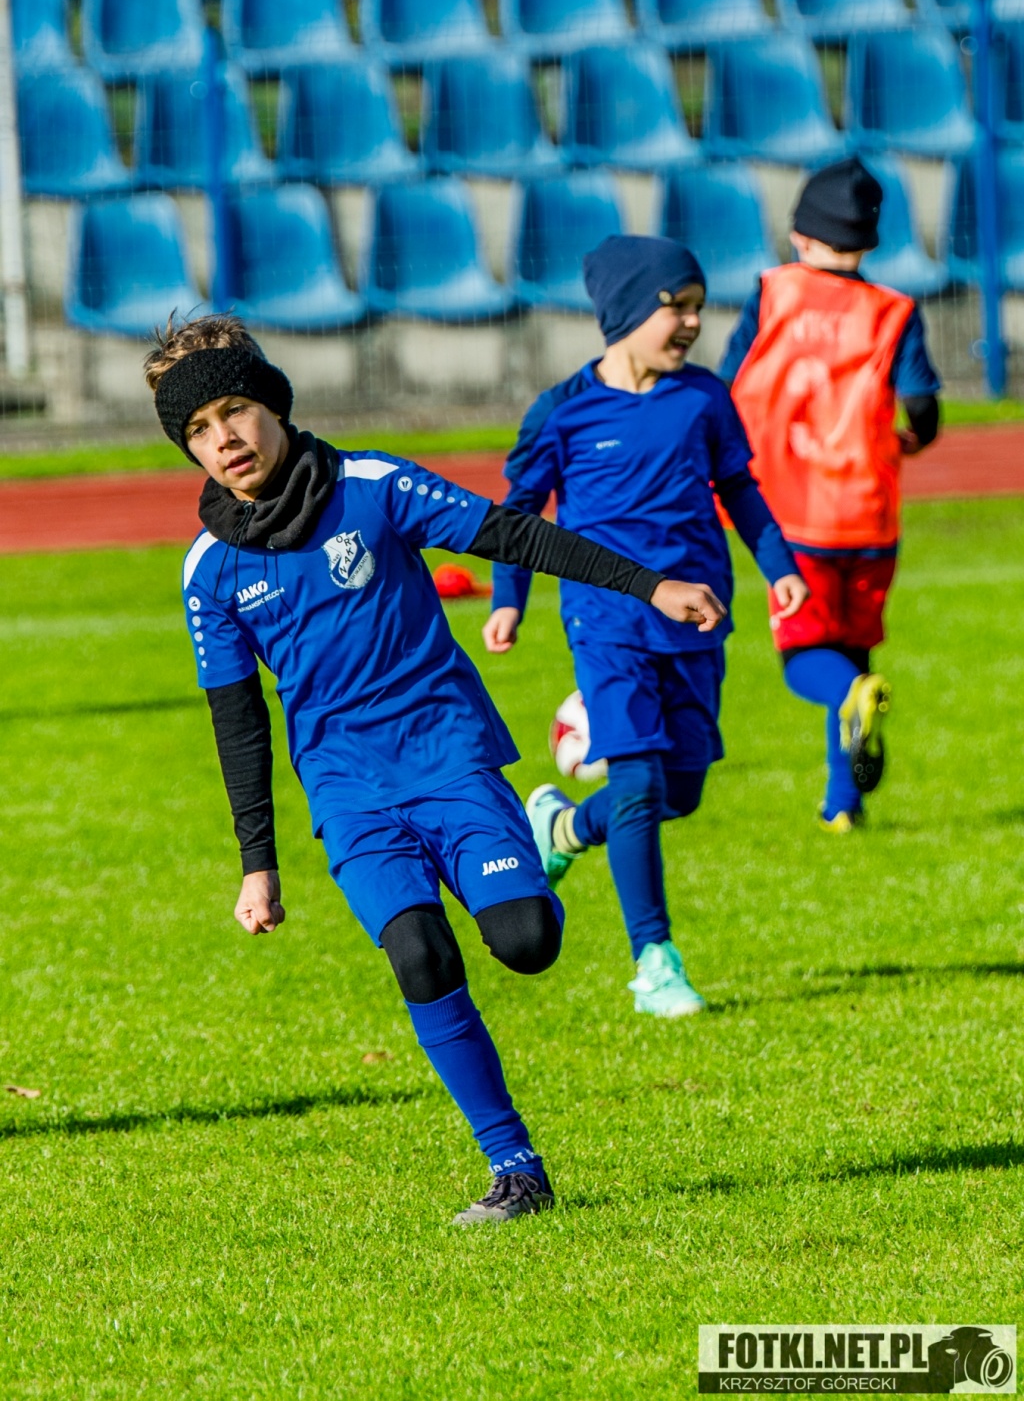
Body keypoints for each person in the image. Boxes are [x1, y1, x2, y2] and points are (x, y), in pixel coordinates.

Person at [146, 313, 728, 1224]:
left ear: (274, 407)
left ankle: (541, 835)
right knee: (418, 954)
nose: (223, 438)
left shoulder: (374, 488)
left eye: (234, 411)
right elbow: (238, 721)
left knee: (527, 943)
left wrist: (650, 584)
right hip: (348, 789)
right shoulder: (210, 570)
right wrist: (258, 864)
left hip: (448, 755)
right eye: (197, 430)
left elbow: (513, 535)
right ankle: (515, 1167)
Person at [483, 237, 808, 1017]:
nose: (692, 321)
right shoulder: (563, 411)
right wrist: (508, 598)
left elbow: (740, 489)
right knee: (635, 783)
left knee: (681, 791)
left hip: (698, 622)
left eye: (698, 306)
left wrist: (779, 566)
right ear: (626, 311)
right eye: (676, 307)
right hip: (606, 624)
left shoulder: (704, 399)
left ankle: (562, 828)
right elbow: (518, 517)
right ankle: (654, 962)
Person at [719, 157, 941, 832]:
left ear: (800, 235)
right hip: (869, 515)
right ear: (867, 242)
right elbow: (922, 406)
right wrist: (913, 438)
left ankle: (850, 703)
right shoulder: (894, 311)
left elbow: (726, 382)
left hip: (793, 512)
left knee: (805, 659)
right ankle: (843, 805)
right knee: (854, 655)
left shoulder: (771, 294)